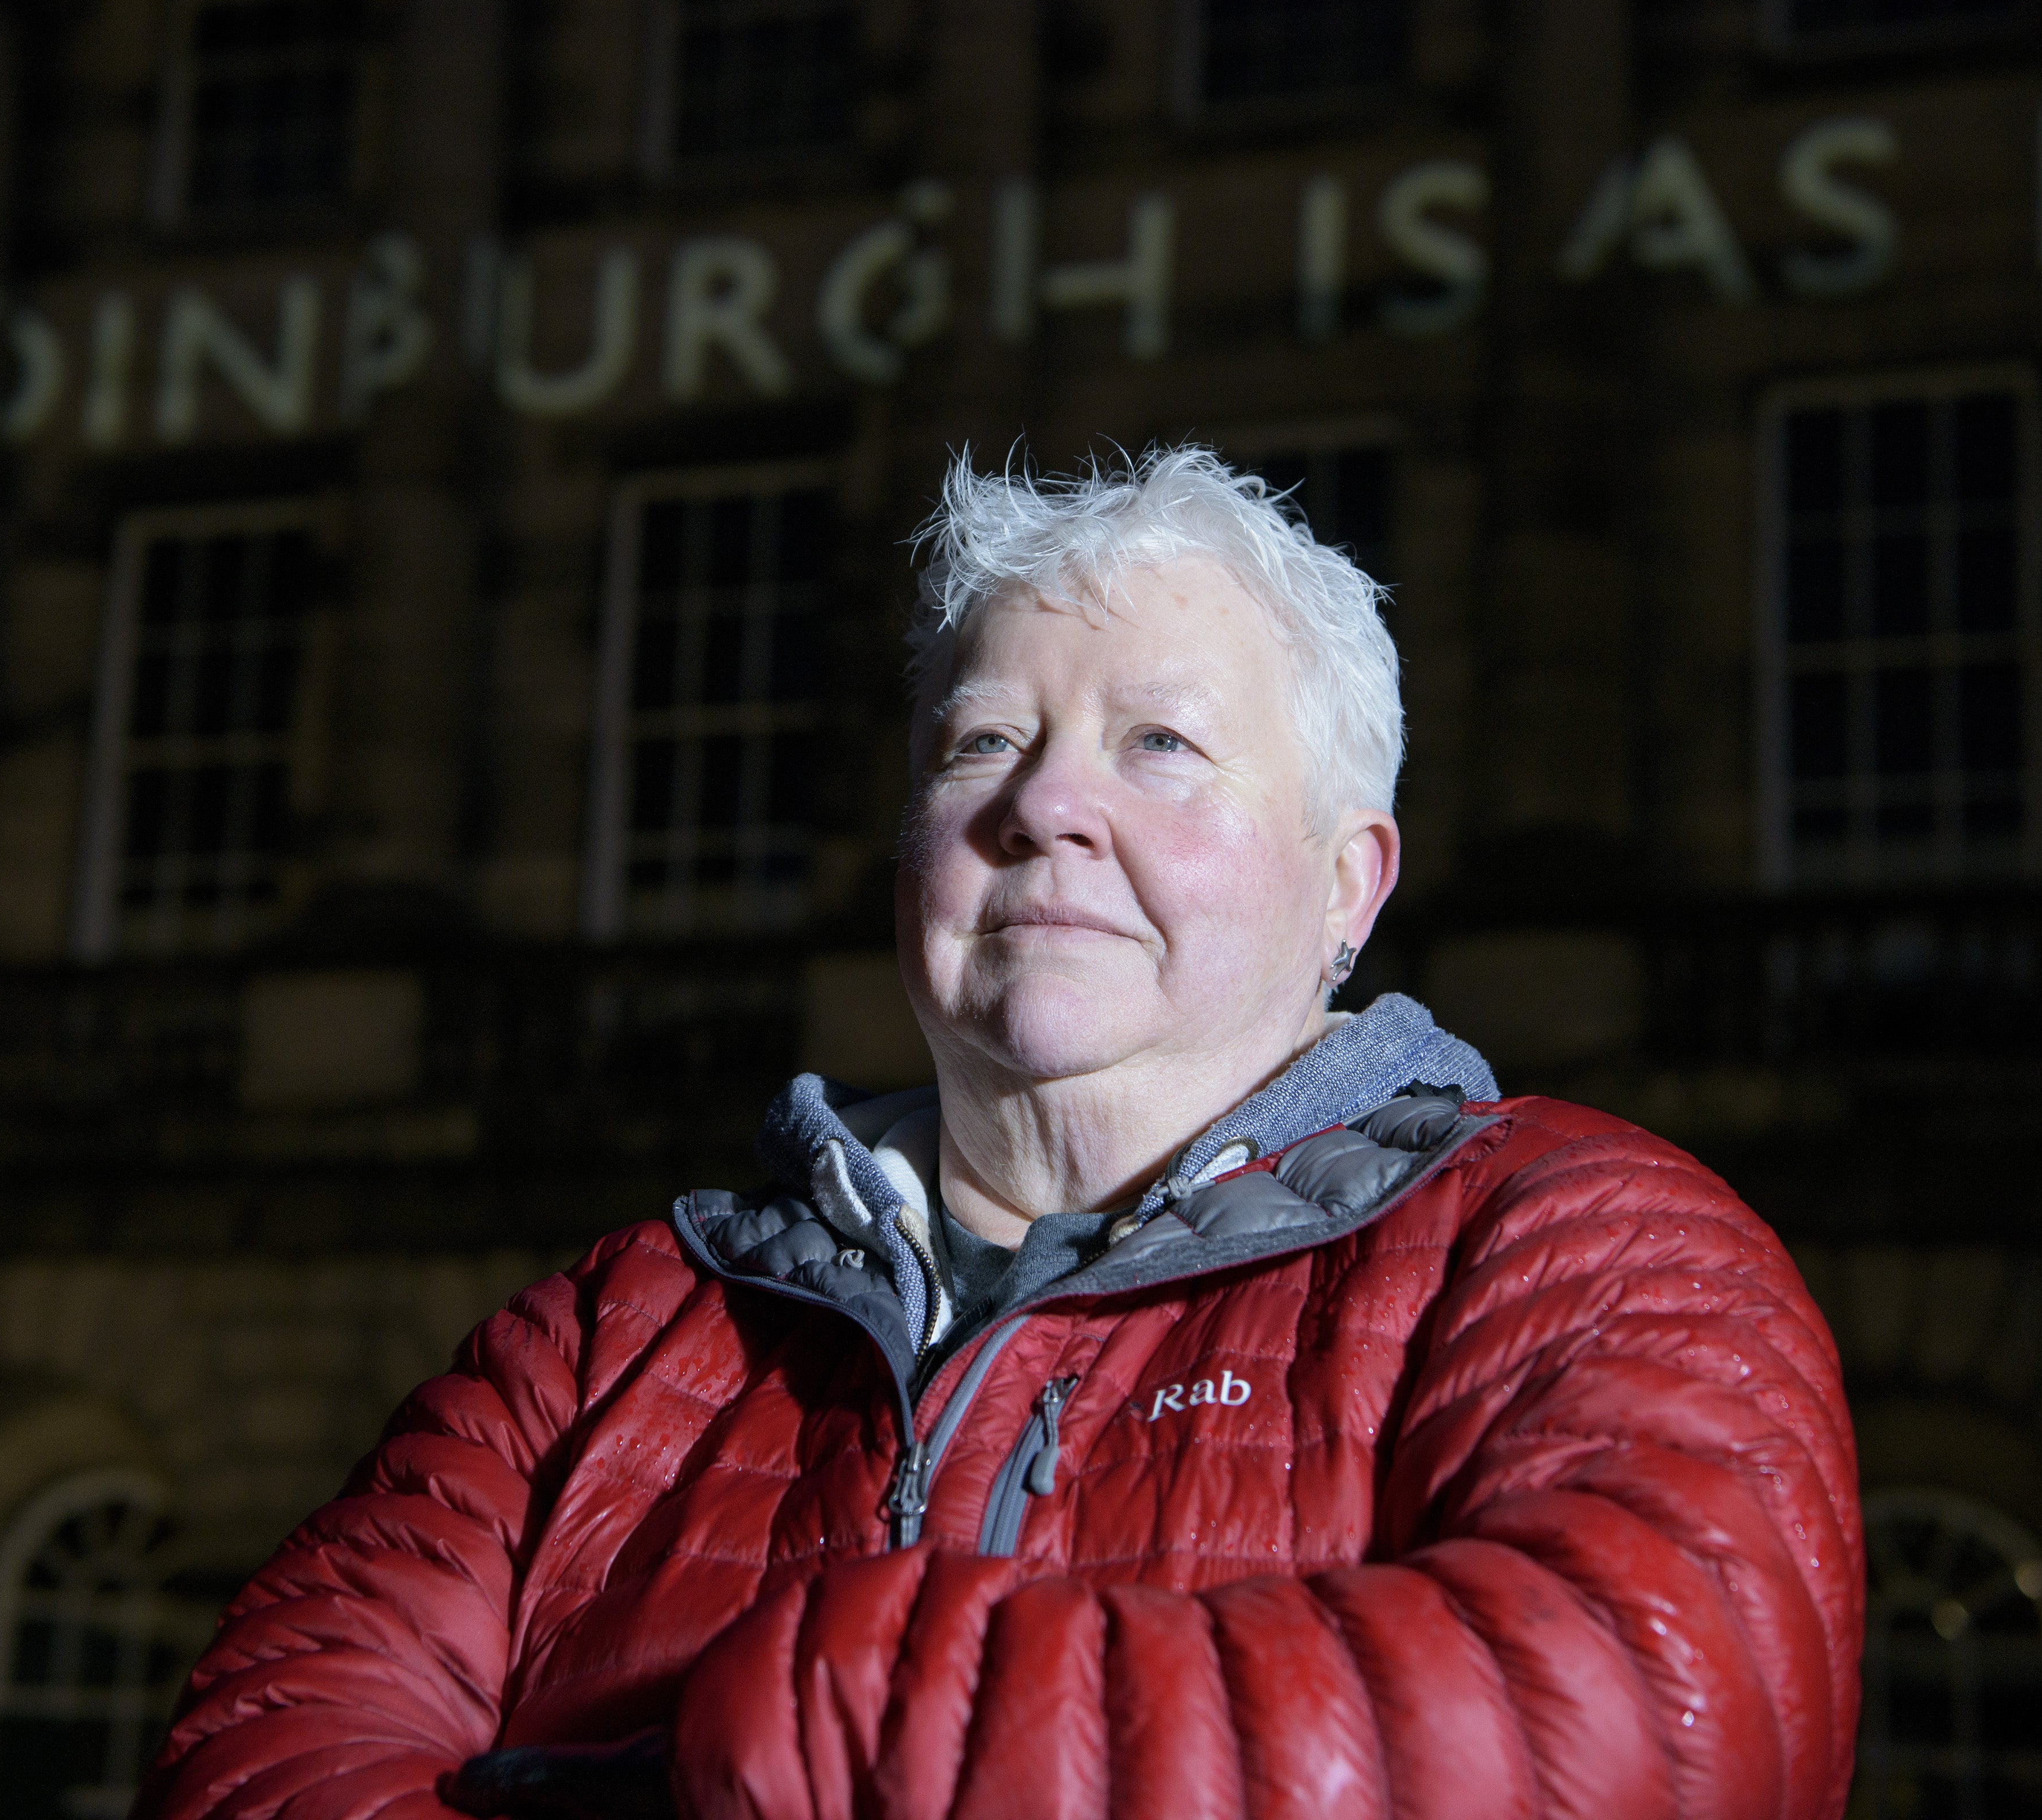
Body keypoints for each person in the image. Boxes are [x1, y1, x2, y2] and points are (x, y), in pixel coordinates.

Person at [139, 449, 1861, 1820]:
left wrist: (820, 1729)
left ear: (1349, 883)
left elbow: (1662, 1711)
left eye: (1160, 746)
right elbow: (265, 1750)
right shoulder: (610, 1330)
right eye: (983, 744)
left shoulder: (1579, 1239)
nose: (1045, 804)